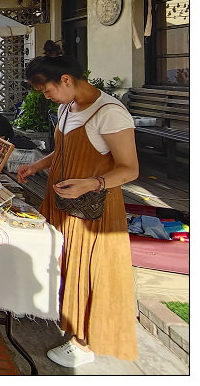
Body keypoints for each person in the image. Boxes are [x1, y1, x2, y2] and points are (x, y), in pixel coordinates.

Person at [16, 40, 139, 367]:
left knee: (87, 271)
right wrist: (38, 165)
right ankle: (65, 321)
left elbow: (129, 169)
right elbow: (66, 150)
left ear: (67, 81)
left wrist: (92, 183)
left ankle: (84, 342)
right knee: (63, 263)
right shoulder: (67, 107)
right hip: (62, 200)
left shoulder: (110, 114)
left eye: (47, 91)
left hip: (92, 210)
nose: (47, 97)